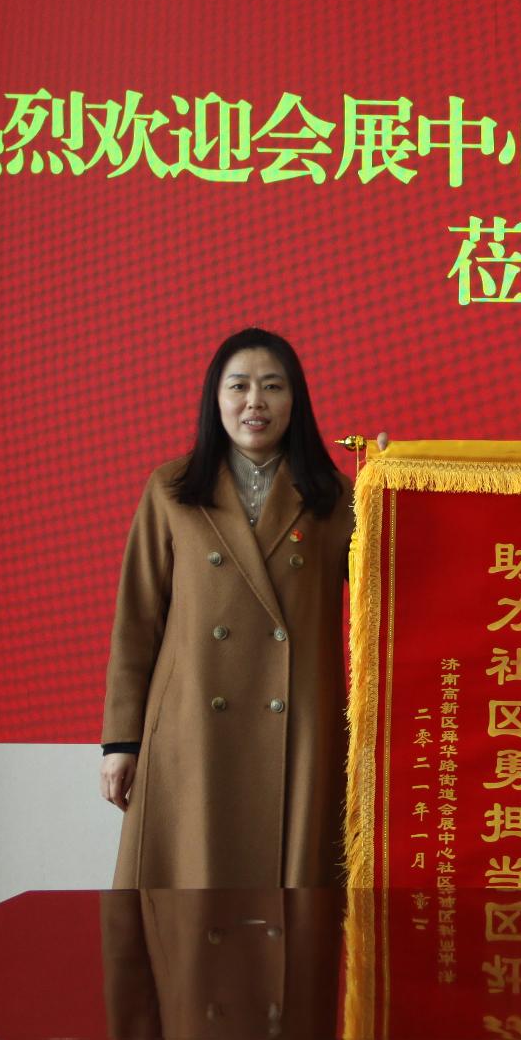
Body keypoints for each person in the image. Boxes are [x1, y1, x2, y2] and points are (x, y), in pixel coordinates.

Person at [98, 329, 354, 888]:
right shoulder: (172, 489)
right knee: (190, 892)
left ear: (295, 401)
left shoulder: (334, 497)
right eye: (239, 386)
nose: (255, 402)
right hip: (192, 723)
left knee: (292, 903)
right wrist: (121, 742)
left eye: (273, 387)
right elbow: (137, 620)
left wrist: (391, 482)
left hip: (297, 727)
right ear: (216, 399)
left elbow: (390, 588)